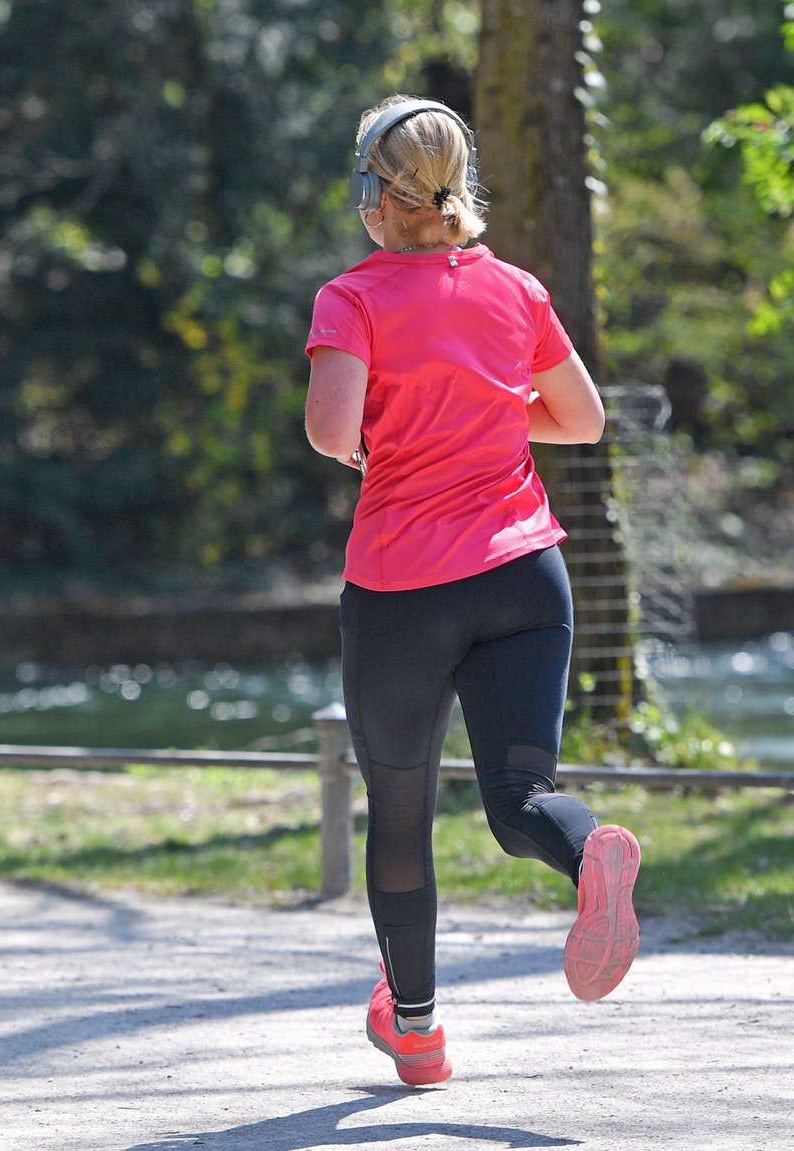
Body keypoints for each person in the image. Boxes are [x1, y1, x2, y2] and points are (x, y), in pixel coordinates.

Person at [303, 94, 642, 1088]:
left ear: (372, 192)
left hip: (405, 588)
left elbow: (333, 433)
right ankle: (590, 859)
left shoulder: (350, 298)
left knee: (400, 809)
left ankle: (416, 1030)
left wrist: (407, 418)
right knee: (520, 797)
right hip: (526, 574)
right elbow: (580, 421)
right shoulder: (516, 289)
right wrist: (481, 409)